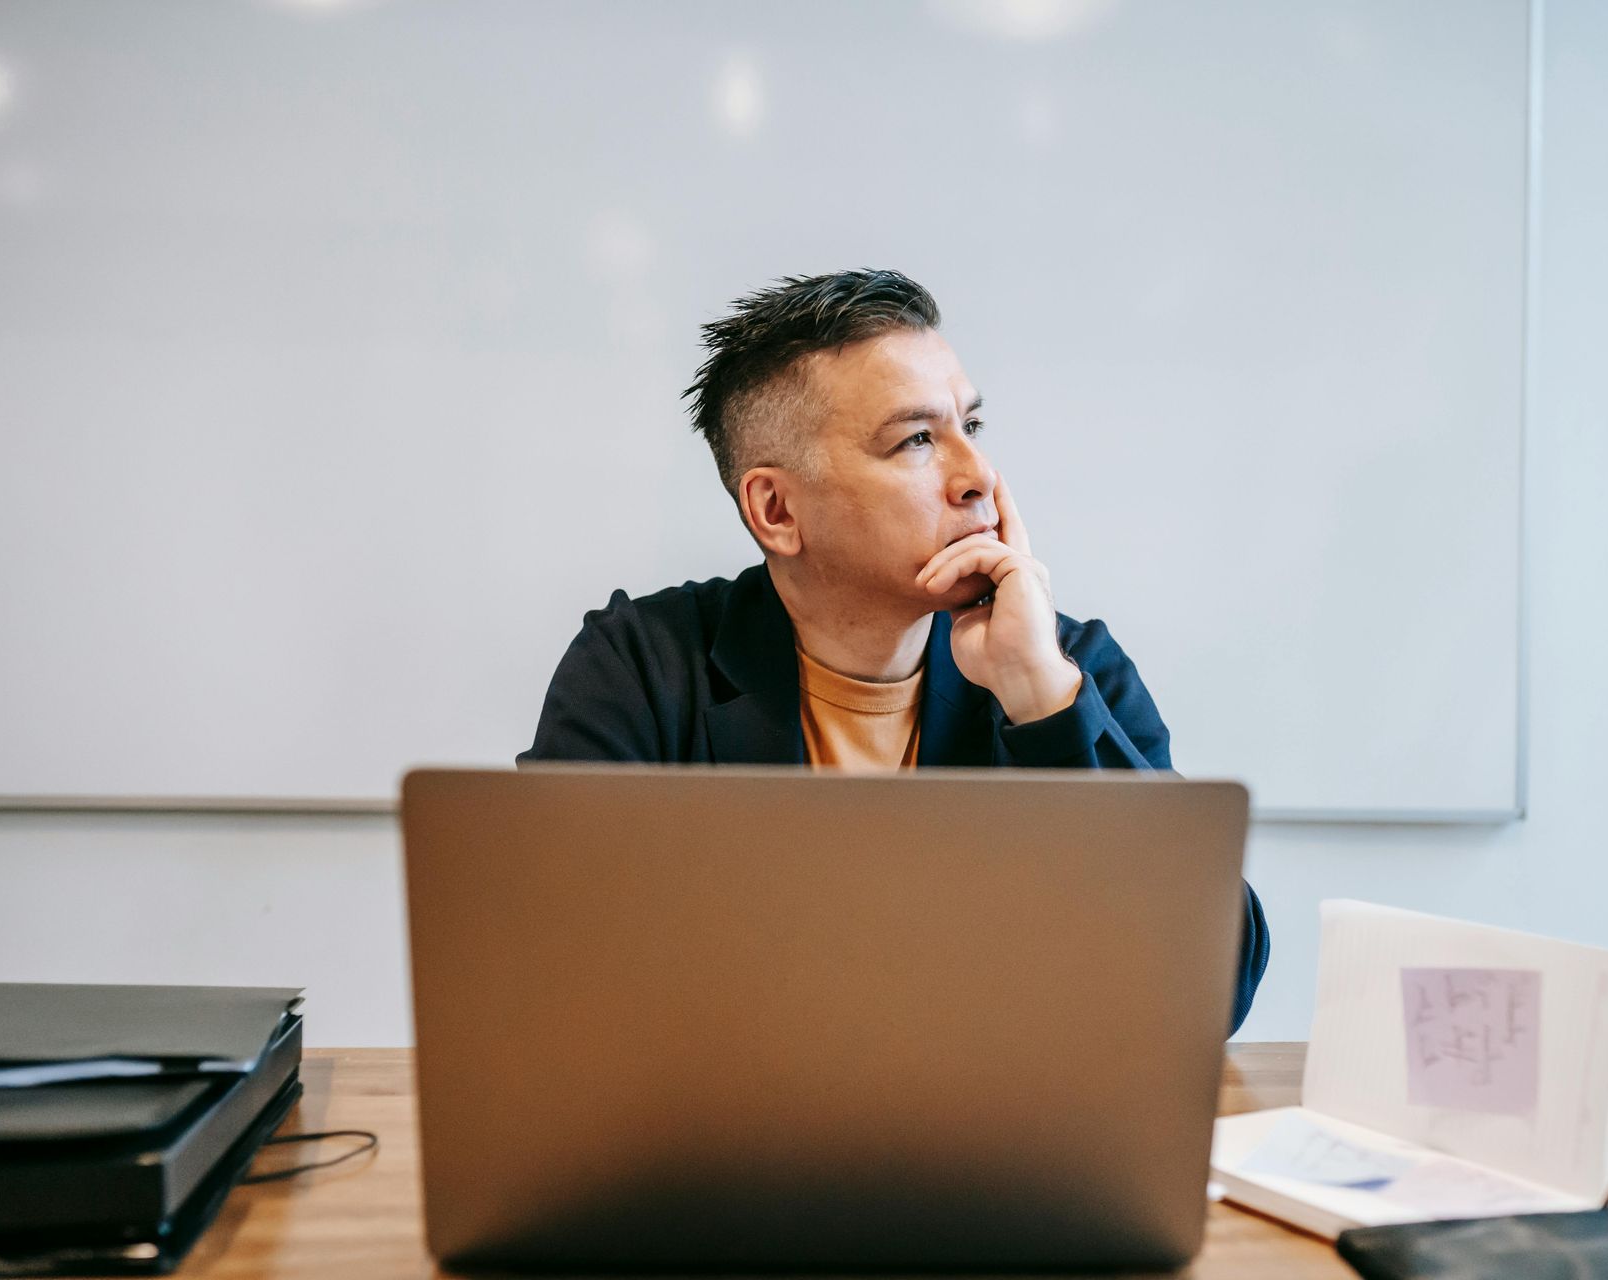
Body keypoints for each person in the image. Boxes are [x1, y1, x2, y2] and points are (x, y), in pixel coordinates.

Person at [521, 268, 1269, 1031]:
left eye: (971, 426)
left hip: (994, 1105)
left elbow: (1210, 992)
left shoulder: (1062, 663)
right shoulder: (642, 669)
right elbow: (547, 965)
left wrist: (1042, 700)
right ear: (776, 510)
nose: (979, 476)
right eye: (916, 440)